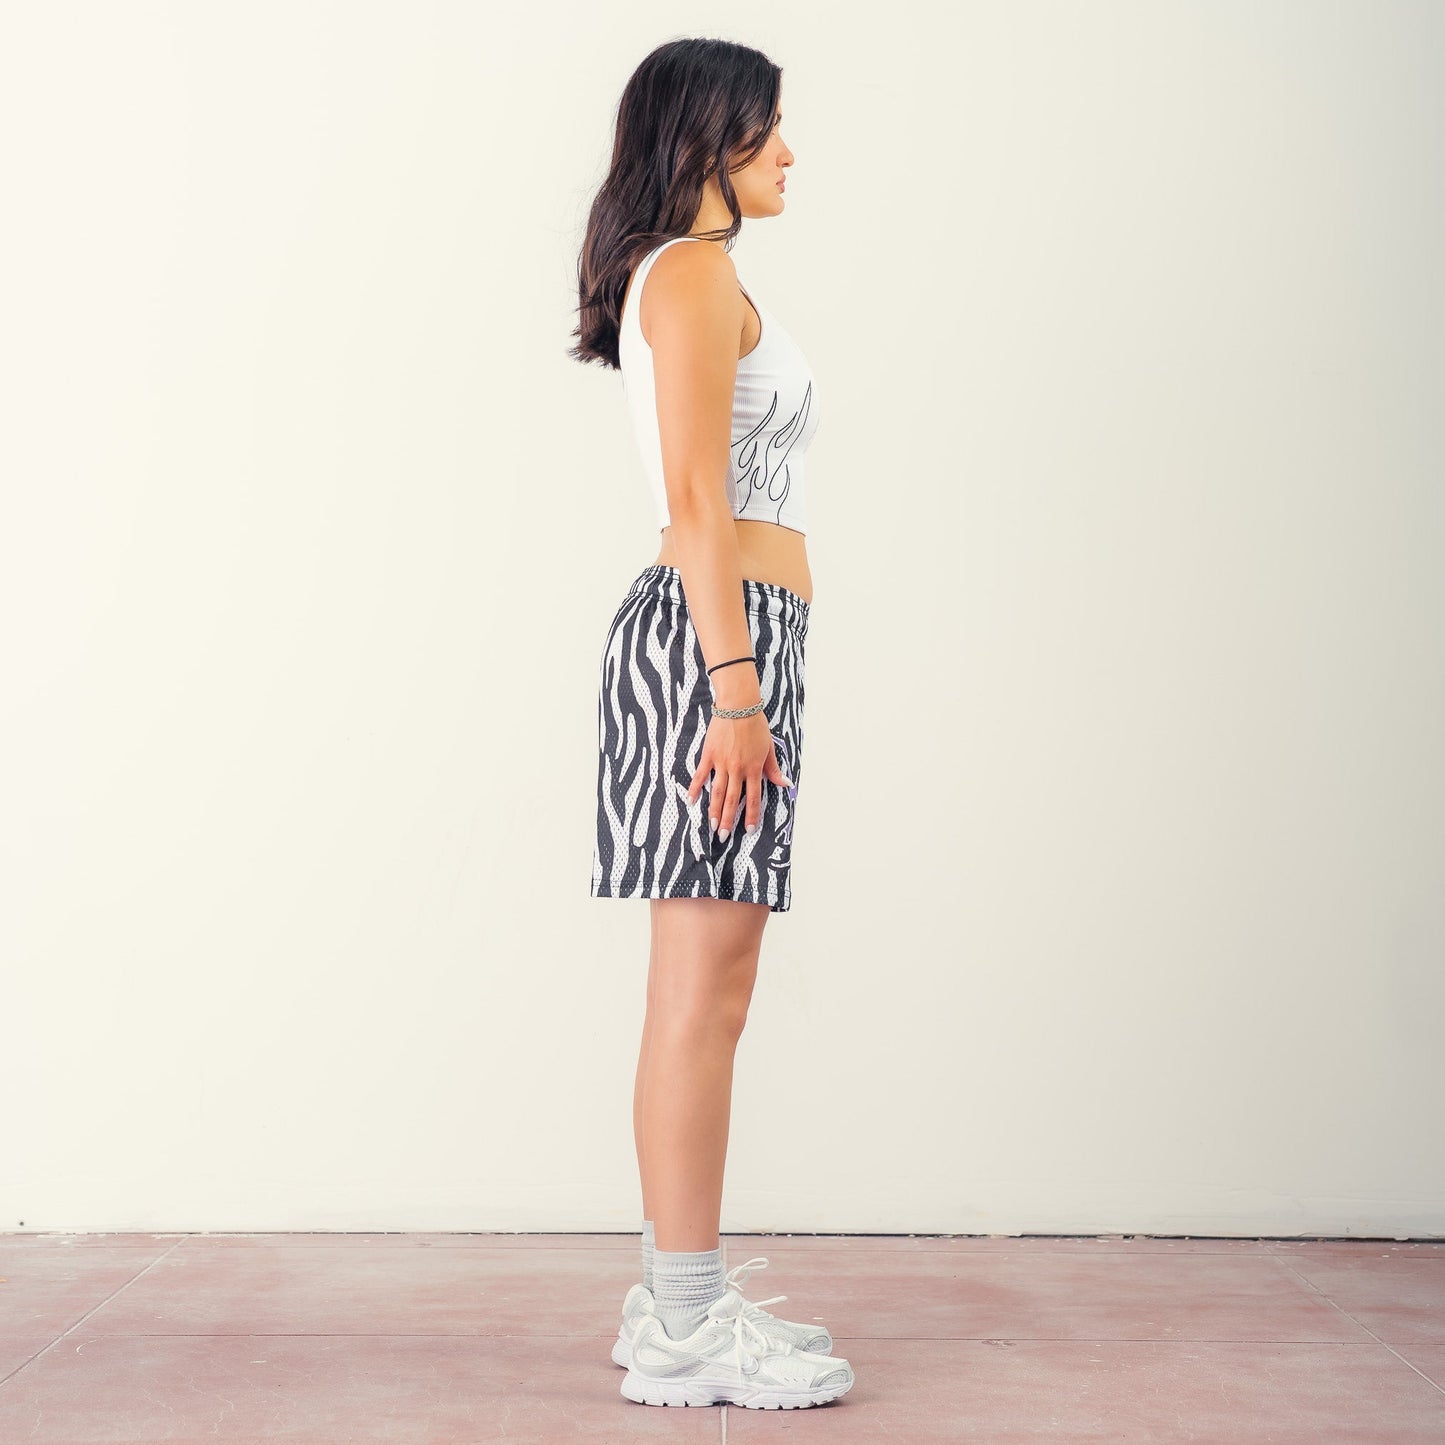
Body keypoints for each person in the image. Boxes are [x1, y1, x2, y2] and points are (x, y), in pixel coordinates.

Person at [568, 38, 854, 1410]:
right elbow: (694, 503)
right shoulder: (690, 274)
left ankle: (674, 1299)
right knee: (699, 994)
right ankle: (682, 1324)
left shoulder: (699, 275)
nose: (787, 151)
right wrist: (735, 690)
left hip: (734, 638)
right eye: (769, 129)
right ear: (709, 137)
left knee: (708, 993)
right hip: (710, 647)